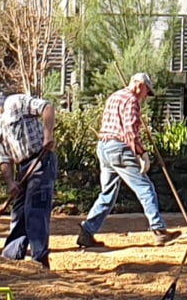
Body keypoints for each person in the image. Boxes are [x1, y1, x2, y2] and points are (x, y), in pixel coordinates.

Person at [77, 72, 180, 250]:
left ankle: (87, 232)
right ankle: (159, 230)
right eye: (147, 92)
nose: (146, 97)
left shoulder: (114, 96)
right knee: (145, 188)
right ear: (140, 86)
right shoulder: (132, 100)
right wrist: (142, 153)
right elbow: (130, 131)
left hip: (104, 147)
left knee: (107, 194)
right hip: (119, 149)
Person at [0, 75, 58, 268]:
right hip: (23, 166)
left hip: (41, 160)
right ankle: (11, 257)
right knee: (19, 212)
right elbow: (4, 157)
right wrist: (11, 182)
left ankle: (39, 261)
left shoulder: (15, 102)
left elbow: (47, 107)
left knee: (35, 210)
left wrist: (48, 135)